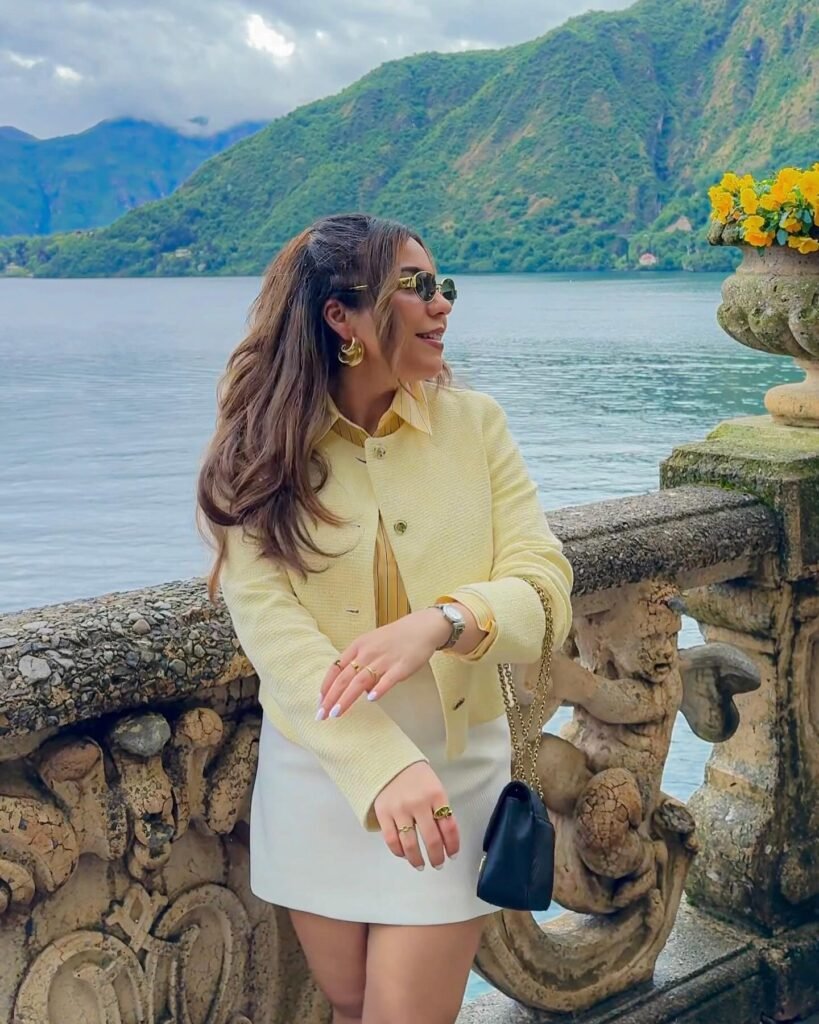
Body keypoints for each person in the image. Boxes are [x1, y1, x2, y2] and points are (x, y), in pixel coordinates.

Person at [197, 213, 573, 1024]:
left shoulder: (476, 427)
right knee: (351, 1003)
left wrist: (443, 619)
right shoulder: (257, 453)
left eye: (444, 287)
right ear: (342, 315)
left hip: (450, 779)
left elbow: (545, 586)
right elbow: (277, 640)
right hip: (321, 776)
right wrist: (378, 765)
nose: (442, 305)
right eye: (418, 287)